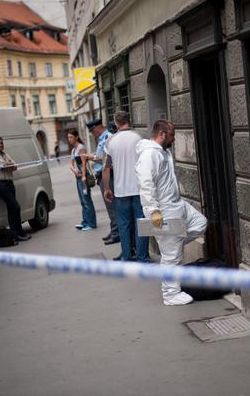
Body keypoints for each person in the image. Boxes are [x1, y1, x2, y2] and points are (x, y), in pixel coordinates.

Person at [136, 120, 207, 305]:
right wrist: (153, 211)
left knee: (201, 223)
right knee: (171, 255)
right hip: (164, 211)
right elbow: (145, 184)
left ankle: (172, 247)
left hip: (176, 206)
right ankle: (170, 294)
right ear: (162, 134)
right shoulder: (150, 155)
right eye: (172, 135)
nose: (173, 139)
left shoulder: (162, 152)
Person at [102, 111, 150, 263]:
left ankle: (127, 258)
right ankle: (143, 258)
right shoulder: (139, 138)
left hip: (121, 190)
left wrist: (107, 189)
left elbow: (106, 167)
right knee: (142, 223)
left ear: (116, 123)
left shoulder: (110, 141)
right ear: (129, 120)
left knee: (124, 225)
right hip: (139, 189)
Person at [0, 136, 31, 242]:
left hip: (9, 183)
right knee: (15, 207)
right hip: (0, 184)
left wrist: (8, 165)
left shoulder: (4, 154)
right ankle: (17, 233)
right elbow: (3, 166)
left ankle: (17, 234)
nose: (1, 145)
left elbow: (15, 166)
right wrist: (8, 165)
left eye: (2, 143)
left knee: (12, 209)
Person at [84, 119, 119, 245]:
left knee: (112, 207)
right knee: (109, 208)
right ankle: (114, 230)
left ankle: (116, 233)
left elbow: (106, 159)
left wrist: (91, 157)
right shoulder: (102, 139)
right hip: (102, 176)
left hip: (108, 176)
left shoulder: (108, 138)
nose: (92, 133)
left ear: (98, 127)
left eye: (93, 130)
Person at [68, 128, 96, 231]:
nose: (69, 139)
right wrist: (74, 171)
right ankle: (85, 222)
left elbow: (84, 163)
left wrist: (84, 176)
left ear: (76, 137)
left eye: (71, 137)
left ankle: (92, 223)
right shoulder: (73, 150)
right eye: (68, 137)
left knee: (87, 200)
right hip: (78, 177)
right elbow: (71, 164)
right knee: (82, 201)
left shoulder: (80, 148)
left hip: (83, 177)